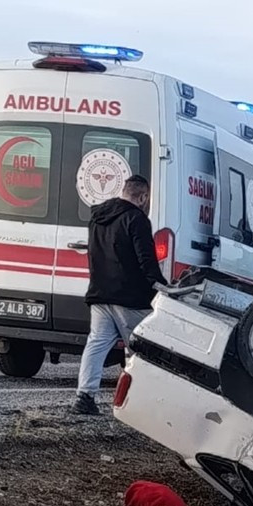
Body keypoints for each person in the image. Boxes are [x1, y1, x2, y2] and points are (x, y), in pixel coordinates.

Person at [71, 175, 165, 416]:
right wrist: (160, 286)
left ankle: (84, 396)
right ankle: (139, 403)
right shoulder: (137, 219)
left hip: (100, 293)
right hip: (131, 298)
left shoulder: (98, 218)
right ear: (142, 197)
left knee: (96, 344)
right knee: (142, 349)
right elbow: (146, 259)